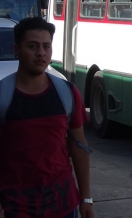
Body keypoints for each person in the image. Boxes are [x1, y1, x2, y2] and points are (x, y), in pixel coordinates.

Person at [0, 17, 94, 218]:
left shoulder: (67, 93)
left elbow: (78, 146)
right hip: (16, 208)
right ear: (17, 49)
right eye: (32, 46)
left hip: (63, 205)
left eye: (46, 46)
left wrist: (86, 199)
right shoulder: (2, 95)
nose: (41, 53)